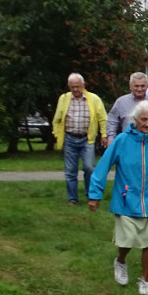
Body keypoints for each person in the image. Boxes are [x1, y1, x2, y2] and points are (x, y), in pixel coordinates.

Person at [88, 101, 148, 295]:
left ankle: (144, 280)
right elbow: (102, 168)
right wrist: (95, 195)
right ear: (135, 119)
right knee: (127, 240)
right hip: (126, 199)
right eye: (143, 119)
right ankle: (120, 261)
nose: (147, 124)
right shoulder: (122, 140)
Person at [52, 73, 107, 206]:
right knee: (70, 171)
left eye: (77, 86)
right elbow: (57, 118)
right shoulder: (64, 99)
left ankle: (90, 194)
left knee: (89, 168)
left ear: (83, 85)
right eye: (72, 87)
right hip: (70, 138)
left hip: (87, 139)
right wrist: (56, 133)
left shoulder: (94, 99)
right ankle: (73, 199)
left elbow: (102, 118)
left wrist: (104, 134)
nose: (75, 89)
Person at [106, 72, 148, 145]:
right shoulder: (121, 102)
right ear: (130, 86)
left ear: (147, 86)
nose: (139, 89)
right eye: (136, 86)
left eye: (142, 86)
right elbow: (112, 121)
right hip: (128, 144)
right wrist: (111, 138)